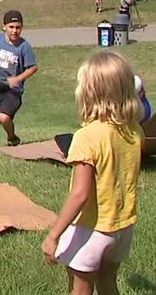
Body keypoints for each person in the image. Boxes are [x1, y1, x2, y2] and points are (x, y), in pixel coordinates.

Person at [42, 51, 142, 295]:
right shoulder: (134, 130)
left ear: (88, 92)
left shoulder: (86, 138)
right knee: (108, 283)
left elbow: (80, 194)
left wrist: (53, 235)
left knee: (80, 288)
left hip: (91, 229)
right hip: (122, 228)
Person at [0, 10, 38, 150]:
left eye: (18, 27)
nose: (14, 31)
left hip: (12, 90)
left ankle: (12, 137)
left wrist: (18, 79)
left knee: (4, 118)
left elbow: (32, 68)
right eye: (11, 27)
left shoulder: (24, 47)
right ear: (4, 27)